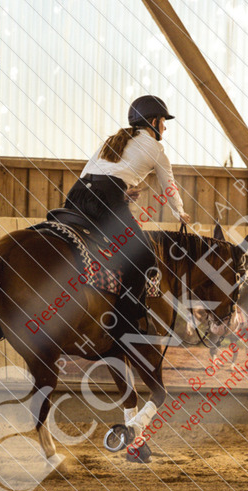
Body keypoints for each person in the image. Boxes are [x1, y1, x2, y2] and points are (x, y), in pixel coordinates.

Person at [64, 95, 190, 332]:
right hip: (106, 200)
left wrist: (120, 193)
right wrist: (180, 212)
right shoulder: (157, 150)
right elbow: (169, 186)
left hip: (77, 195)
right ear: (153, 121)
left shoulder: (113, 141)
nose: (165, 127)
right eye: (164, 121)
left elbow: (92, 173)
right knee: (144, 258)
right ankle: (125, 321)